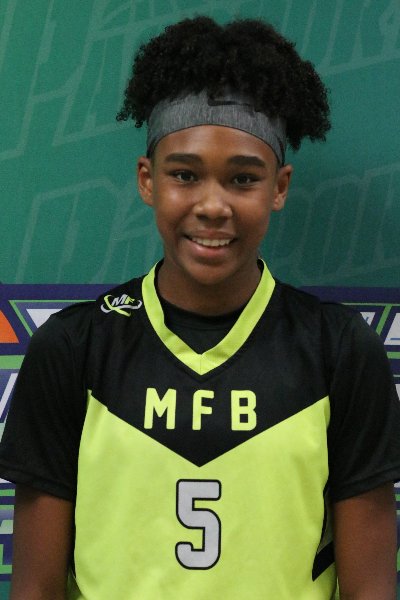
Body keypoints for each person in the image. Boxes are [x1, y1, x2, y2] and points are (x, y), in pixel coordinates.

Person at [1, 15, 400, 600]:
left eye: (243, 179)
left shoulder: (338, 351)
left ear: (279, 187)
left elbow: (371, 589)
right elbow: (35, 589)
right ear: (148, 180)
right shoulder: (73, 348)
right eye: (185, 175)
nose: (213, 206)